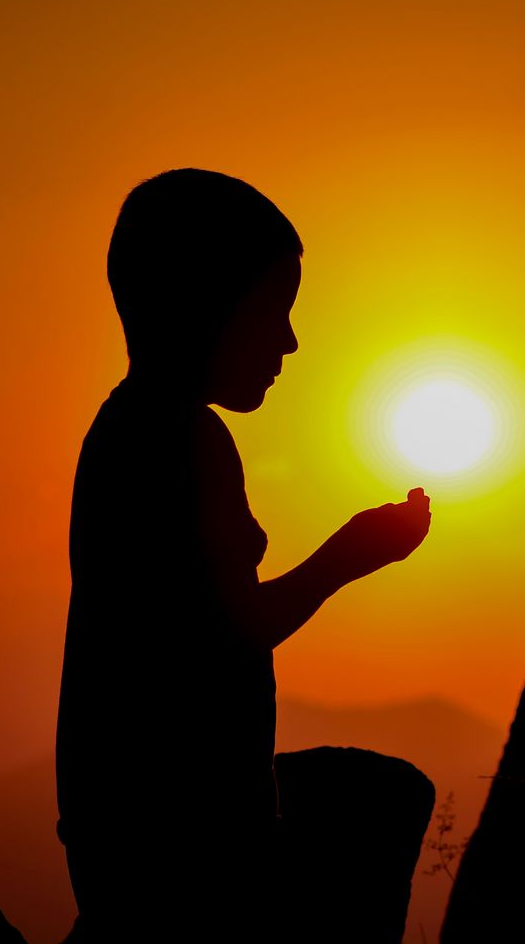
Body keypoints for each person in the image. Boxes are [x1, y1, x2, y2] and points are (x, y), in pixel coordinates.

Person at [55, 168, 433, 940]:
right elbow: (230, 629)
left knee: (365, 787)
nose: (290, 341)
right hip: (178, 846)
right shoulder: (179, 440)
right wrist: (349, 555)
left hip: (117, 823)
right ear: (204, 308)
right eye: (273, 312)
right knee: (383, 801)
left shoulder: (126, 427)